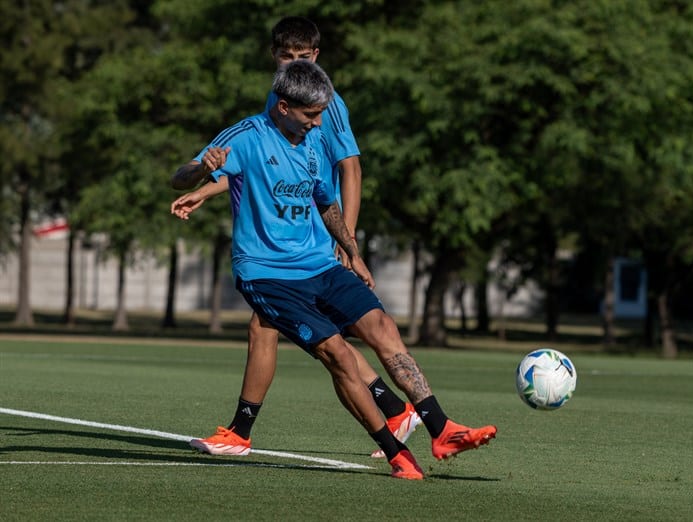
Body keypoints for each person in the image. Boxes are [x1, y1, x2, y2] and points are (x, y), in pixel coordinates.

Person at [172, 60, 496, 479]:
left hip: (320, 264)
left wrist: (352, 250)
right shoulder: (247, 137)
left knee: (382, 325)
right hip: (266, 275)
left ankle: (441, 427)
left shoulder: (311, 141)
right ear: (284, 107)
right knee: (338, 354)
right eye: (311, 114)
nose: (319, 121)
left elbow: (326, 202)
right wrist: (201, 169)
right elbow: (179, 178)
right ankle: (398, 454)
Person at [171, 16, 419, 459]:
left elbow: (351, 168)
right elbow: (261, 166)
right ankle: (392, 410)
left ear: (316, 57)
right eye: (287, 56)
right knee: (274, 330)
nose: (294, 64)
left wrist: (349, 243)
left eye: (303, 57)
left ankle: (243, 433)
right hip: (287, 241)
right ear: (274, 58)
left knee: (316, 341)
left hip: (308, 240)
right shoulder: (279, 100)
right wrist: (206, 188)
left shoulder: (328, 101)